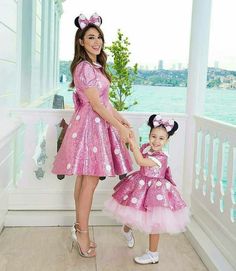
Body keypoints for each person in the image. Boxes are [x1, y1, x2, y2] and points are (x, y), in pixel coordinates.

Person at [52, 13, 133, 258]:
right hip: (90, 128)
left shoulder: (95, 67)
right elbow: (96, 106)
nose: (96, 41)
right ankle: (83, 232)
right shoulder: (85, 68)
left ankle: (79, 228)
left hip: (94, 125)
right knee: (90, 181)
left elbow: (104, 102)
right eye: (90, 37)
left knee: (84, 180)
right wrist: (118, 128)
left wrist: (120, 118)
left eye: (98, 37)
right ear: (81, 42)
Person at [104, 114, 190, 264]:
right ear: (149, 135)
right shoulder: (146, 147)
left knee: (154, 222)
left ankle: (153, 254)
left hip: (156, 192)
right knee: (132, 213)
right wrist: (131, 137)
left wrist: (132, 142)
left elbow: (141, 160)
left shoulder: (162, 157)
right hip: (140, 185)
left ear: (167, 140)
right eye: (153, 136)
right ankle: (126, 230)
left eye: (161, 138)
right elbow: (136, 149)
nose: (156, 141)